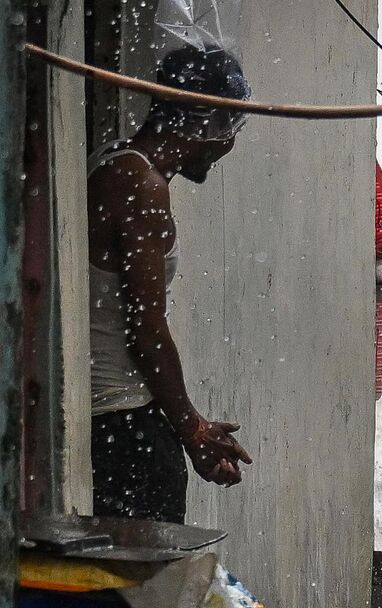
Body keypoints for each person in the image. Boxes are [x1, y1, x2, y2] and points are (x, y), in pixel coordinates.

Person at [86, 45, 254, 523]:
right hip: (121, 422)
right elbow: (147, 328)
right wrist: (193, 431)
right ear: (208, 124)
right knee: (149, 591)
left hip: (114, 419)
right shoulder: (141, 185)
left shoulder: (112, 160)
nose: (229, 146)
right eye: (232, 129)